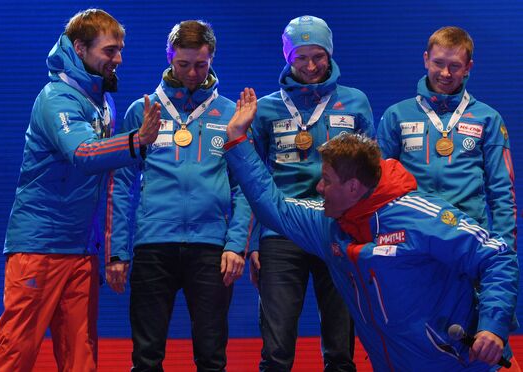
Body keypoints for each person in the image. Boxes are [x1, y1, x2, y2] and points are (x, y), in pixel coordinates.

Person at [221, 87, 518, 371]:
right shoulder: (329, 224)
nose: (318, 188)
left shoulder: (422, 217)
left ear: (352, 187)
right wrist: (236, 139)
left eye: (326, 180)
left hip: (458, 365)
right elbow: (274, 207)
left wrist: (492, 327)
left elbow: (498, 257)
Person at [0, 8, 162, 372]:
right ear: (80, 48)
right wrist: (138, 140)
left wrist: (108, 246)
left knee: (81, 358)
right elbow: (82, 153)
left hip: (81, 249)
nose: (119, 59)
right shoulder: (56, 98)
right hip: (40, 247)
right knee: (15, 353)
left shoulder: (101, 101)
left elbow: (107, 175)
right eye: (110, 50)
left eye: (120, 50)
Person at [106, 20, 254, 372]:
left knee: (211, 357)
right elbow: (121, 185)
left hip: (211, 248)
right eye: (183, 64)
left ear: (212, 58)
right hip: (153, 246)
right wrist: (117, 252)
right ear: (169, 57)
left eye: (201, 65)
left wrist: (236, 244)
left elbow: (246, 187)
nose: (191, 73)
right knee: (146, 357)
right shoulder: (142, 112)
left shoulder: (231, 113)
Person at [248, 15, 374, 371]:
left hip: (337, 228)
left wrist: (366, 233)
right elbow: (252, 182)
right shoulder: (267, 108)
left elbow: (370, 177)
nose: (311, 65)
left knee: (340, 348)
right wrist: (253, 242)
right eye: (300, 57)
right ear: (287, 57)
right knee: (276, 349)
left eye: (318, 55)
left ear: (330, 53)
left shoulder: (355, 102)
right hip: (281, 231)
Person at [377, 26, 516, 251]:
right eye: (438, 63)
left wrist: (504, 250)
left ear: (468, 68)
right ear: (426, 59)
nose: (445, 73)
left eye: (455, 66)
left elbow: (501, 191)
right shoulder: (397, 115)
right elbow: (377, 183)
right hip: (411, 236)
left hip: (469, 237)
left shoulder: (488, 118)